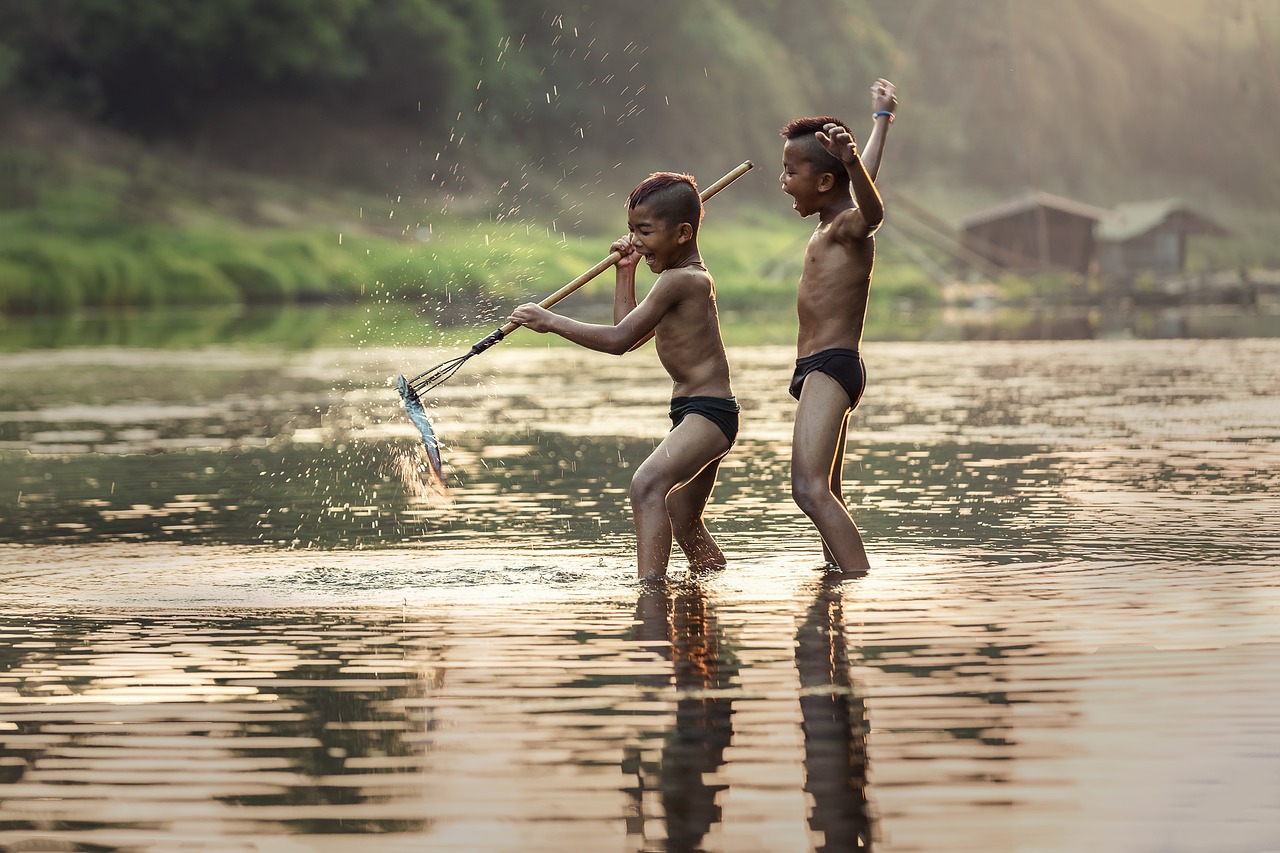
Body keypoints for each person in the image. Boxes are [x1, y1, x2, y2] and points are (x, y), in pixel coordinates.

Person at [509, 172, 738, 580]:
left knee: (646, 486)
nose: (633, 241)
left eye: (644, 231)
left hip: (709, 412)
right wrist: (626, 271)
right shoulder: (677, 279)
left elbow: (617, 339)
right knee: (681, 517)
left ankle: (651, 592)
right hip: (694, 411)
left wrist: (550, 321)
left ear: (683, 233)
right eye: (631, 230)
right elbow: (632, 334)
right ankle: (710, 588)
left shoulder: (682, 280)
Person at [779, 78, 896, 573]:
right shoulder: (831, 220)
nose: (783, 180)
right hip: (819, 368)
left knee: (808, 489)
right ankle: (834, 594)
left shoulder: (848, 225)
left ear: (823, 182)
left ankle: (855, 585)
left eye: (791, 171)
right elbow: (859, 178)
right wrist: (881, 120)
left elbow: (872, 209)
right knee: (828, 491)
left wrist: (849, 159)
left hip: (831, 366)